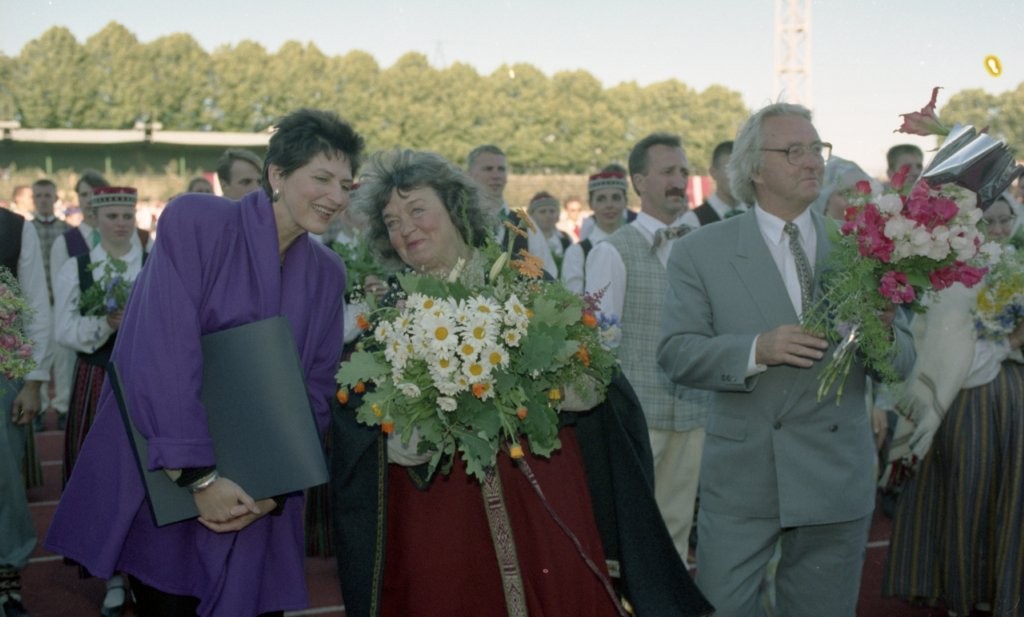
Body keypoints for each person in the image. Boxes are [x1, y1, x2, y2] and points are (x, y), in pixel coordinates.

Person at [330, 149, 711, 617]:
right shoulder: (391, 317)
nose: (404, 228)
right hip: (442, 516)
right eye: (391, 221)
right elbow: (361, 424)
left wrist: (546, 389)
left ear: (455, 208)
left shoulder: (523, 285)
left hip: (542, 495)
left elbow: (596, 377)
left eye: (416, 210)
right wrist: (407, 435)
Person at [45, 108, 364, 617]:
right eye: (322, 179)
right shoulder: (198, 221)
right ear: (277, 174)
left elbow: (315, 390)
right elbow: (161, 355)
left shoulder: (328, 272)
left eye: (346, 185)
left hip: (259, 499)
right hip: (172, 478)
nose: (336, 196)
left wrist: (275, 490)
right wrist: (200, 480)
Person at [657, 102, 915, 617]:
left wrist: (884, 329)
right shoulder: (700, 251)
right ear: (755, 168)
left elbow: (902, 362)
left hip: (835, 476)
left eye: (817, 148)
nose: (813, 161)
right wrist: (757, 349)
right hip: (745, 479)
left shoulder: (862, 249)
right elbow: (676, 352)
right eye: (794, 151)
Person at [883, 191, 1024, 617]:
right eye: (988, 222)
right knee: (971, 497)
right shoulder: (950, 278)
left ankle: (997, 591)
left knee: (1009, 501)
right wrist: (1011, 341)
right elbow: (957, 357)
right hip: (967, 404)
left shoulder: (1013, 265)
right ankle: (963, 594)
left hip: (1012, 403)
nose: (998, 229)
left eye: (1005, 220)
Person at [586, 133, 710, 566]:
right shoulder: (611, 251)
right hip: (638, 419)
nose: (679, 181)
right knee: (632, 534)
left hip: (693, 413)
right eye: (668, 172)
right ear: (639, 182)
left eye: (683, 172)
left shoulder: (700, 246)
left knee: (677, 531)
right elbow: (598, 347)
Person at [51, 185, 145, 616]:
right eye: (112, 216)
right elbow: (64, 331)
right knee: (103, 475)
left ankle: (144, 569)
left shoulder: (153, 261)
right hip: (98, 378)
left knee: (147, 475)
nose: (121, 224)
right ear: (95, 219)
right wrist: (106, 323)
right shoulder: (77, 267)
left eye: (127, 215)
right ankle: (112, 576)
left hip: (145, 378)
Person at [0, 207, 52, 617]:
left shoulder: (16, 229)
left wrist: (34, 381)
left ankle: (6, 577)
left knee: (4, 482)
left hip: (4, 372)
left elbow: (35, 305)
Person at [466, 144, 558, 276]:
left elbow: (548, 273)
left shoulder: (524, 223)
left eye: (501, 169)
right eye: (488, 169)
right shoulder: (458, 220)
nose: (496, 175)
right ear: (469, 174)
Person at [561, 170, 629, 294]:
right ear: (591, 204)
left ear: (625, 202)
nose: (609, 205)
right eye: (601, 199)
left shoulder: (637, 246)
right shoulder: (577, 253)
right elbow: (572, 299)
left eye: (616, 198)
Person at [679, 141, 748, 227]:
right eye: (729, 169)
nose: (736, 175)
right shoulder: (693, 220)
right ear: (713, 172)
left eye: (741, 168)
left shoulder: (757, 214)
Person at [527, 191, 572, 274]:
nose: (548, 215)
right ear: (532, 216)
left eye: (552, 211)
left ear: (558, 215)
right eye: (542, 211)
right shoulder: (526, 239)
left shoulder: (565, 239)